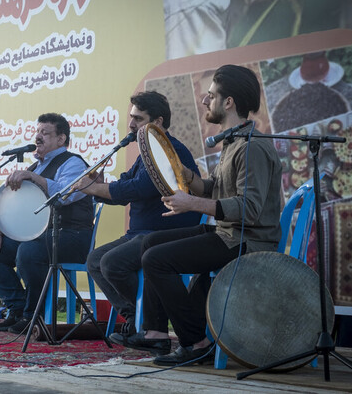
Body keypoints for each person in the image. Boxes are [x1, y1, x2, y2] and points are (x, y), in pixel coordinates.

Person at [133, 65, 282, 365]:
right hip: (227, 233)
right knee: (149, 244)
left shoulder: (252, 147)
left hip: (244, 240)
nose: (205, 101)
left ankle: (196, 342)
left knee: (156, 260)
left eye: (211, 95)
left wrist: (191, 203)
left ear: (228, 103)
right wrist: (184, 173)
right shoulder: (234, 141)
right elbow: (214, 187)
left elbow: (248, 209)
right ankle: (156, 333)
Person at [72, 91, 201, 353]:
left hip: (166, 233)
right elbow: (124, 187)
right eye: (131, 118)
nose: (131, 125)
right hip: (141, 233)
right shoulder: (146, 152)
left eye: (138, 119)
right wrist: (99, 186)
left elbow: (139, 189)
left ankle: (152, 323)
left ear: (159, 122)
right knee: (95, 260)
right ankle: (136, 319)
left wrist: (95, 190)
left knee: (112, 262)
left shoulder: (171, 150)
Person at [0, 113, 94, 334]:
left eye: (45, 133)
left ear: (61, 139)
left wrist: (35, 179)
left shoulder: (73, 162)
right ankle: (18, 308)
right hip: (38, 235)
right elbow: (17, 209)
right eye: (37, 132)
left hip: (72, 235)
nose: (38, 137)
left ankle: (33, 316)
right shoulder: (33, 169)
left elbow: (65, 195)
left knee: (29, 251)